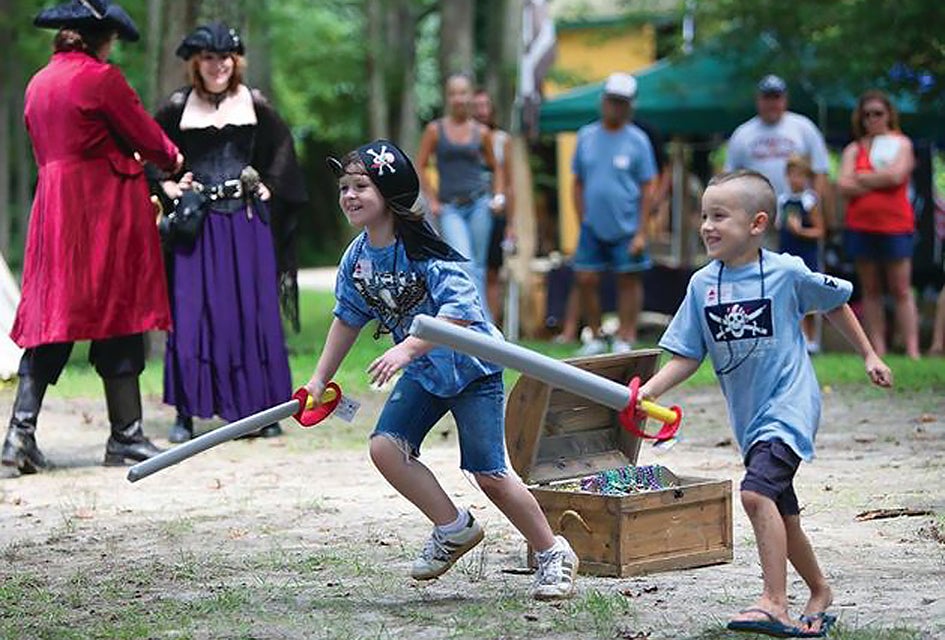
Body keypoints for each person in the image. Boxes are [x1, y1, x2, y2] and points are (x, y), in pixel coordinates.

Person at [305, 139, 578, 600]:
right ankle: (453, 528)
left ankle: (553, 552)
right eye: (344, 187)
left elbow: (461, 312)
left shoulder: (426, 250)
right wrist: (319, 378)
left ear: (389, 192)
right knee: (386, 449)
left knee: (489, 474)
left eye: (360, 186)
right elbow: (347, 316)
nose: (349, 195)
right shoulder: (357, 259)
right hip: (426, 374)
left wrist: (408, 348)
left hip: (471, 370)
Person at [638, 170, 892, 637]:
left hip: (790, 406)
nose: (707, 226)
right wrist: (651, 391)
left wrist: (869, 355)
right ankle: (820, 591)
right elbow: (689, 354)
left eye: (720, 216)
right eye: (704, 216)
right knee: (781, 511)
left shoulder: (786, 272)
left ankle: (774, 601)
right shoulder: (701, 285)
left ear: (757, 224)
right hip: (750, 420)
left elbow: (834, 301)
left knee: (756, 494)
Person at [2, 0, 183, 474]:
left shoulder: (39, 82)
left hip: (55, 210)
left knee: (54, 316)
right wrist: (171, 157)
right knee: (119, 312)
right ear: (99, 38)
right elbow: (146, 137)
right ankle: (126, 436)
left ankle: (18, 437)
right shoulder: (101, 79)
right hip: (103, 210)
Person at [155, 22, 308, 442]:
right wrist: (169, 184)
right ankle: (186, 412)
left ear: (235, 60)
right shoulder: (177, 107)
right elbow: (150, 150)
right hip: (198, 226)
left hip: (245, 222)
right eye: (209, 57)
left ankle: (264, 410)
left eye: (225, 57)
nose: (218, 65)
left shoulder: (253, 103)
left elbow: (283, 148)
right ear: (196, 63)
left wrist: (269, 186)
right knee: (192, 314)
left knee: (253, 312)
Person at [569, 72, 657, 355]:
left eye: (621, 102)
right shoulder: (586, 136)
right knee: (585, 278)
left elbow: (648, 186)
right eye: (611, 100)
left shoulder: (638, 140)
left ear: (630, 105)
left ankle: (625, 335)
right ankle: (595, 335)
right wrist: (581, 218)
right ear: (603, 101)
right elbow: (577, 182)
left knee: (628, 278)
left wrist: (642, 231)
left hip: (628, 224)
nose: (615, 107)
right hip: (592, 224)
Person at [838, 89, 920, 359]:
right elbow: (843, 184)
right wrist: (879, 178)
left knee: (901, 288)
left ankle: (912, 349)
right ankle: (878, 348)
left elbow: (897, 176)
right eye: (867, 115)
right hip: (861, 225)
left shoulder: (902, 144)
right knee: (870, 289)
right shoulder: (854, 148)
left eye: (878, 113)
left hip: (896, 225)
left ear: (888, 115)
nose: (872, 119)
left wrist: (862, 177)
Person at [416, 74, 504, 321]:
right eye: (453, 93)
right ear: (447, 97)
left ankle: (476, 323)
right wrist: (432, 199)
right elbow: (420, 165)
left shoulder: (482, 132)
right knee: (464, 263)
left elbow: (496, 167)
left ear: (470, 96)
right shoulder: (435, 130)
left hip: (479, 204)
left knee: (479, 266)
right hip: (450, 208)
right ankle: (482, 324)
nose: (458, 98)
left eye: (463, 93)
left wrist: (498, 196)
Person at [725, 74, 830, 234]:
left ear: (785, 99)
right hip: (757, 214)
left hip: (797, 211)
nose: (772, 104)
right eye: (767, 98)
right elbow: (729, 178)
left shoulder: (804, 127)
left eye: (776, 98)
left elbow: (820, 170)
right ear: (758, 100)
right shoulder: (742, 134)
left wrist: (814, 209)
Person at [472, 88, 515, 326]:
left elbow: (508, 182)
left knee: (491, 271)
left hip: (494, 211)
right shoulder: (461, 137)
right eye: (476, 106)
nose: (481, 111)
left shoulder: (501, 140)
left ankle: (490, 326)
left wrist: (511, 223)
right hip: (467, 210)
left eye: (485, 105)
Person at [778, 155, 826, 353]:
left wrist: (801, 232)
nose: (794, 179)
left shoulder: (809, 201)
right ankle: (795, 337)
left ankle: (812, 339)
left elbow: (820, 231)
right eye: (791, 175)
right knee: (789, 296)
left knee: (807, 297)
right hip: (787, 253)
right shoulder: (782, 200)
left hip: (806, 254)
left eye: (799, 175)